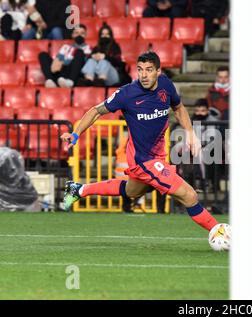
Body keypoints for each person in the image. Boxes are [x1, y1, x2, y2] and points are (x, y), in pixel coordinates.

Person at [61, 52, 220, 233]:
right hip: (143, 160)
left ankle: (79, 190)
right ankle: (220, 233)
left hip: (157, 156)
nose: (143, 75)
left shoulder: (166, 85)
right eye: (140, 70)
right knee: (189, 195)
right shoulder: (126, 93)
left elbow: (178, 107)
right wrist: (75, 134)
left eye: (149, 70)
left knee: (132, 191)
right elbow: (96, 111)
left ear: (158, 72)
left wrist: (190, 133)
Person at [39, 24, 91, 88]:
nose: (79, 35)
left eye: (82, 33)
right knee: (43, 55)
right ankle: (50, 81)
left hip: (73, 73)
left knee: (79, 52)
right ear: (72, 35)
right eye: (76, 33)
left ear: (85, 35)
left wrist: (63, 62)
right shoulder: (66, 47)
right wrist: (59, 63)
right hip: (60, 71)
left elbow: (82, 63)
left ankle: (70, 82)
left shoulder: (89, 48)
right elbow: (57, 61)